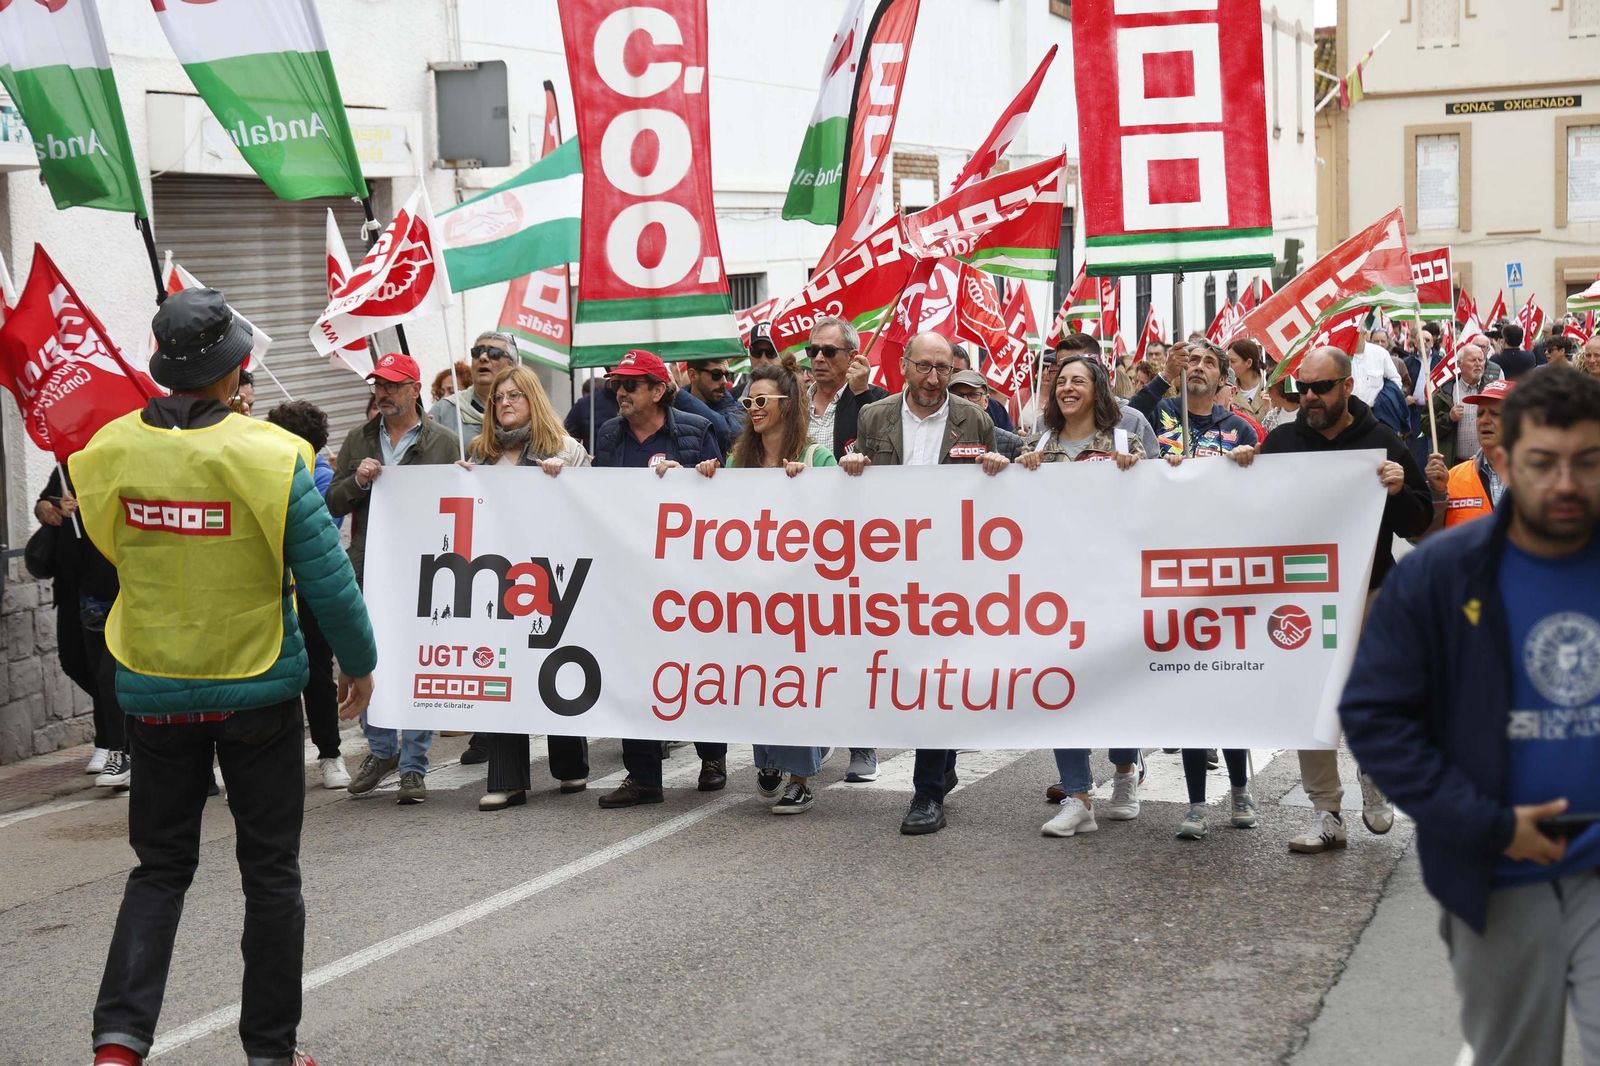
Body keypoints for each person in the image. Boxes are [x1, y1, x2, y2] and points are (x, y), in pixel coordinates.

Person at [70, 287, 375, 1066]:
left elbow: (112, 550)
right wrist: (360, 664)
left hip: (153, 682)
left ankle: (117, 1045)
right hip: (260, 687)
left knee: (159, 870)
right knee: (270, 873)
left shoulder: (104, 452)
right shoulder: (276, 457)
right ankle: (270, 1053)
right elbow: (328, 580)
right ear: (238, 368)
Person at [1341, 367, 1600, 1066]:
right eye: (1545, 463)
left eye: (1589, 462)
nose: (1567, 483)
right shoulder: (1442, 575)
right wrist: (1484, 822)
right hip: (1499, 872)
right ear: (1507, 461)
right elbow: (1374, 716)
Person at [1252, 346, 1433, 854]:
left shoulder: (1382, 442)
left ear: (1347, 387)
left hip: (1371, 592)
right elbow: (1251, 511)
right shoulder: (1282, 441)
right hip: (1304, 600)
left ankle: (1374, 770)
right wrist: (1243, 466)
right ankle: (1326, 812)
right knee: (1314, 703)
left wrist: (1401, 490)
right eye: (1301, 388)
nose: (1309, 397)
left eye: (1321, 387)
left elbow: (1419, 524)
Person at [841, 331, 1011, 835]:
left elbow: (987, 493)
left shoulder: (973, 418)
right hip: (890, 569)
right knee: (902, 674)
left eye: (943, 369)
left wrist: (994, 468)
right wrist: (854, 466)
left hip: (948, 572)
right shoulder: (873, 416)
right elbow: (854, 482)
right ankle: (944, 759)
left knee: (936, 676)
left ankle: (927, 793)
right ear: (903, 366)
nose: (934, 379)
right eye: (924, 367)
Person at [695, 353, 838, 813]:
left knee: (797, 681)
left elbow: (842, 515)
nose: (751, 408)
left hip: (802, 596)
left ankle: (800, 776)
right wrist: (703, 479)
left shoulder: (816, 456)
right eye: (747, 400)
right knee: (760, 679)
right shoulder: (740, 460)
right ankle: (769, 758)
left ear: (787, 403)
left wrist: (814, 482)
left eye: (761, 399)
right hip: (754, 597)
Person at [1014, 354, 1147, 836]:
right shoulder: (1038, 446)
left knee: (1115, 684)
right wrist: (1012, 471)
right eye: (1061, 381)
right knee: (1060, 686)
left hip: (1113, 587)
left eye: (1079, 381)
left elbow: (1154, 508)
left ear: (1099, 390)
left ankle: (1126, 771)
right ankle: (1078, 797)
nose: (1067, 388)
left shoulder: (1123, 442)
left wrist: (1138, 472)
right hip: (1054, 591)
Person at [590, 349, 727, 808]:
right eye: (617, 385)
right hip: (630, 578)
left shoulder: (695, 432)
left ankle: (713, 755)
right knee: (634, 672)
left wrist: (696, 476)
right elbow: (597, 499)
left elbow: (722, 505)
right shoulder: (610, 436)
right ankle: (643, 776)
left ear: (658, 389)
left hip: (687, 577)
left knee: (695, 665)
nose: (621, 392)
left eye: (630, 385)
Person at [455, 364, 593, 811]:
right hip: (497, 581)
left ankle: (570, 765)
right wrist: (460, 480)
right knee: (503, 670)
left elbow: (594, 511)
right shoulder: (480, 454)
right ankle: (507, 778)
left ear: (533, 398)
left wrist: (567, 481)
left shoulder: (566, 449)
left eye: (514, 395)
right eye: (498, 397)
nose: (505, 403)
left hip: (553, 579)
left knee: (556, 664)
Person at [326, 352, 460, 805]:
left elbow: (460, 502)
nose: (381, 392)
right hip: (370, 566)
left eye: (392, 385)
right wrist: (358, 482)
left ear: (414, 389)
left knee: (418, 660)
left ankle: (413, 766)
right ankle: (381, 751)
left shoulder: (444, 441)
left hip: (425, 567)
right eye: (377, 385)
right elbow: (332, 502)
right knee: (368, 656)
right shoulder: (359, 438)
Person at [804, 315, 887, 783]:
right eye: (812, 351)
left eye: (828, 352)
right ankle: (813, 732)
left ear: (853, 358)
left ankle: (863, 743)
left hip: (851, 542)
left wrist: (858, 394)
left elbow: (872, 445)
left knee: (853, 643)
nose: (817, 358)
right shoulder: (792, 399)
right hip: (795, 541)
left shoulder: (871, 401)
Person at [264, 400, 349, 789]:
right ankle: (269, 764)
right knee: (268, 674)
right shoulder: (260, 470)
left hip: (309, 589)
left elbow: (320, 526)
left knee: (317, 672)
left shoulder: (322, 475)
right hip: (268, 587)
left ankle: (330, 754)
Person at [1130, 341, 1259, 458]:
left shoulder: (1240, 429)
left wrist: (1246, 459)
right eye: (1193, 361)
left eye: (1209, 363)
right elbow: (1128, 420)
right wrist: (1167, 374)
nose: (1199, 367)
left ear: (1222, 380)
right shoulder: (1157, 412)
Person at [1424, 380, 1514, 534]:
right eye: (1480, 413)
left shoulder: (1542, 478)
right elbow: (1423, 539)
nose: (1485, 420)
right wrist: (1437, 494)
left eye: (1495, 413)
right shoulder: (1451, 479)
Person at [429, 331, 517, 442]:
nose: (483, 357)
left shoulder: (526, 410)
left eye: (494, 353)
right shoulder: (444, 410)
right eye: (477, 352)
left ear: (512, 365)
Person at [1428, 342, 1502, 468]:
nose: (1478, 364)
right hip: (1455, 464)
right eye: (1473, 360)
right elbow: (1427, 426)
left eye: (1481, 360)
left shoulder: (1492, 390)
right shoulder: (1445, 391)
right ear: (1459, 364)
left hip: (1486, 465)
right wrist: (1449, 418)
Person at [949, 370, 1026, 458]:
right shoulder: (936, 438)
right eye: (958, 396)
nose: (965, 401)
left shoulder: (1012, 444)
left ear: (986, 401)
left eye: (973, 395)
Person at [683, 355, 745, 450]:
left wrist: (681, 397)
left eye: (727, 375)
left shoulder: (733, 406)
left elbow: (729, 433)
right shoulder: (673, 406)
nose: (724, 381)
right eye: (716, 374)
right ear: (693, 375)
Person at [1227, 338, 1274, 426]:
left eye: (1232, 361)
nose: (1228, 366)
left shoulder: (1271, 385)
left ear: (1248, 363)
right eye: (1227, 361)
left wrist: (1270, 411)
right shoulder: (1228, 390)